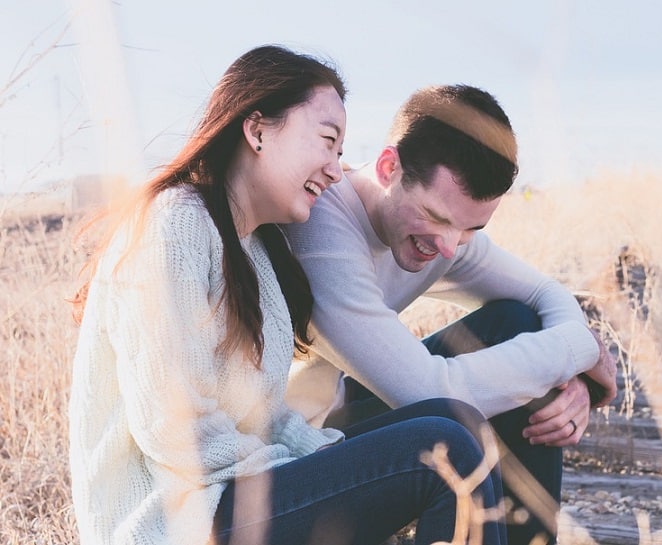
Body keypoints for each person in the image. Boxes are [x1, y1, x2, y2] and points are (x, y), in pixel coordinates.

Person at [68, 46, 506, 545]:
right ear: (257, 130)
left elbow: (262, 414)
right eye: (326, 142)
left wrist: (321, 457)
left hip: (233, 497)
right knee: (443, 448)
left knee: (455, 418)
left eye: (341, 153)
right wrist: (302, 469)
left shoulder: (253, 250)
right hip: (176, 521)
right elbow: (173, 428)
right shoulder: (173, 224)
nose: (336, 170)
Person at [283, 84, 618, 545]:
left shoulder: (447, 235)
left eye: (471, 228)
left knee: (516, 323)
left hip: (334, 418)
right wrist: (576, 351)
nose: (448, 246)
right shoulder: (321, 226)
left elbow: (545, 293)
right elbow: (428, 390)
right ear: (388, 167)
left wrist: (571, 375)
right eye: (436, 217)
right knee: (461, 422)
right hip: (287, 461)